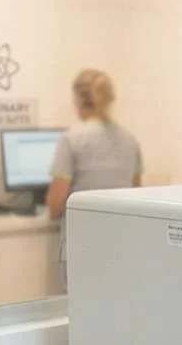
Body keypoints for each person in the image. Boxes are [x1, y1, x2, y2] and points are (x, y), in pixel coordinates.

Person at [47, 70, 142, 265]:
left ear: (79, 100)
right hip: (121, 244)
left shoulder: (71, 139)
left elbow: (55, 206)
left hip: (82, 244)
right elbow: (136, 193)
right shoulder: (129, 140)